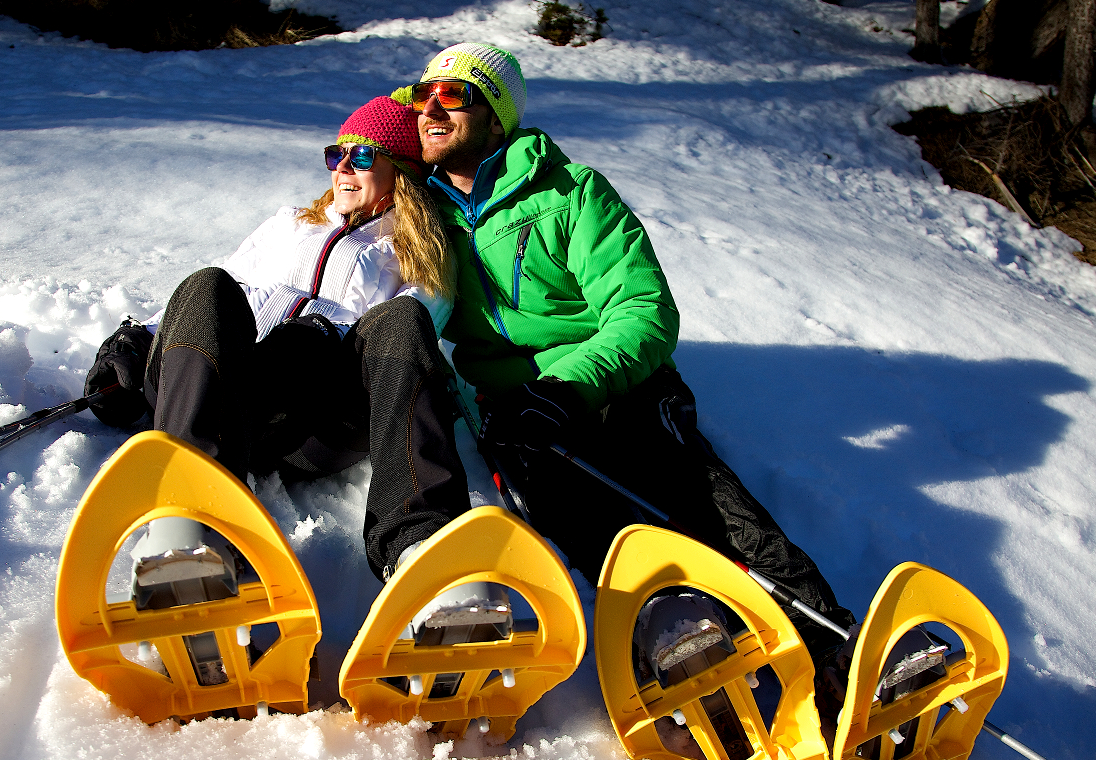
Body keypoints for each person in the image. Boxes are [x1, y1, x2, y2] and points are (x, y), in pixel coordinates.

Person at [397, 43, 858, 714]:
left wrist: (567, 388)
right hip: (517, 416)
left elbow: (643, 310)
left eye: (455, 95)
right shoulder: (417, 214)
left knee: (709, 509)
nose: (432, 107)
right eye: (421, 93)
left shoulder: (570, 193)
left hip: (615, 388)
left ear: (496, 117)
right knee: (597, 531)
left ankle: (836, 658)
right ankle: (699, 665)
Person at [84, 96, 472, 595]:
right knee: (207, 282)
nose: (344, 168)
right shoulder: (291, 223)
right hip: (223, 393)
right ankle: (191, 525)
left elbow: (417, 335)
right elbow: (220, 291)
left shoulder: (417, 254)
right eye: (338, 154)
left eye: (363, 155)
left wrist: (324, 334)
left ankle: (423, 548)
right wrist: (137, 342)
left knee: (402, 317)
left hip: (312, 420)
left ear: (401, 171)